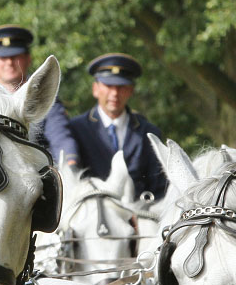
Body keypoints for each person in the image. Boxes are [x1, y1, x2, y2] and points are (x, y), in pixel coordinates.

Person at [68, 53, 167, 200]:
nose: (115, 93)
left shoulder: (149, 133)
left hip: (139, 218)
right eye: (108, 86)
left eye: (121, 87)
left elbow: (160, 191)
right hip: (91, 217)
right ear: (95, 89)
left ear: (131, 90)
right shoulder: (76, 129)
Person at [0, 25, 79, 165]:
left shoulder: (43, 93)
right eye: (3, 57)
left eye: (15, 56)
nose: (9, 62)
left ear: (28, 59)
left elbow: (60, 136)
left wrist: (70, 164)